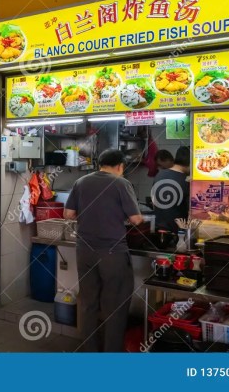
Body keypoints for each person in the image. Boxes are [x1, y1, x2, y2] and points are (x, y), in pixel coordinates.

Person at [64, 149, 142, 352]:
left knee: (88, 304)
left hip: (84, 252)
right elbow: (136, 219)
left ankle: (90, 351)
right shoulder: (121, 183)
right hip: (112, 253)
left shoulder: (81, 182)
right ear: (120, 166)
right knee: (115, 306)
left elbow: (69, 214)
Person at [152, 146, 191, 233]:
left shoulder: (159, 175)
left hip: (159, 230)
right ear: (190, 162)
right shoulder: (186, 181)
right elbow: (190, 210)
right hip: (178, 233)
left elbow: (154, 204)